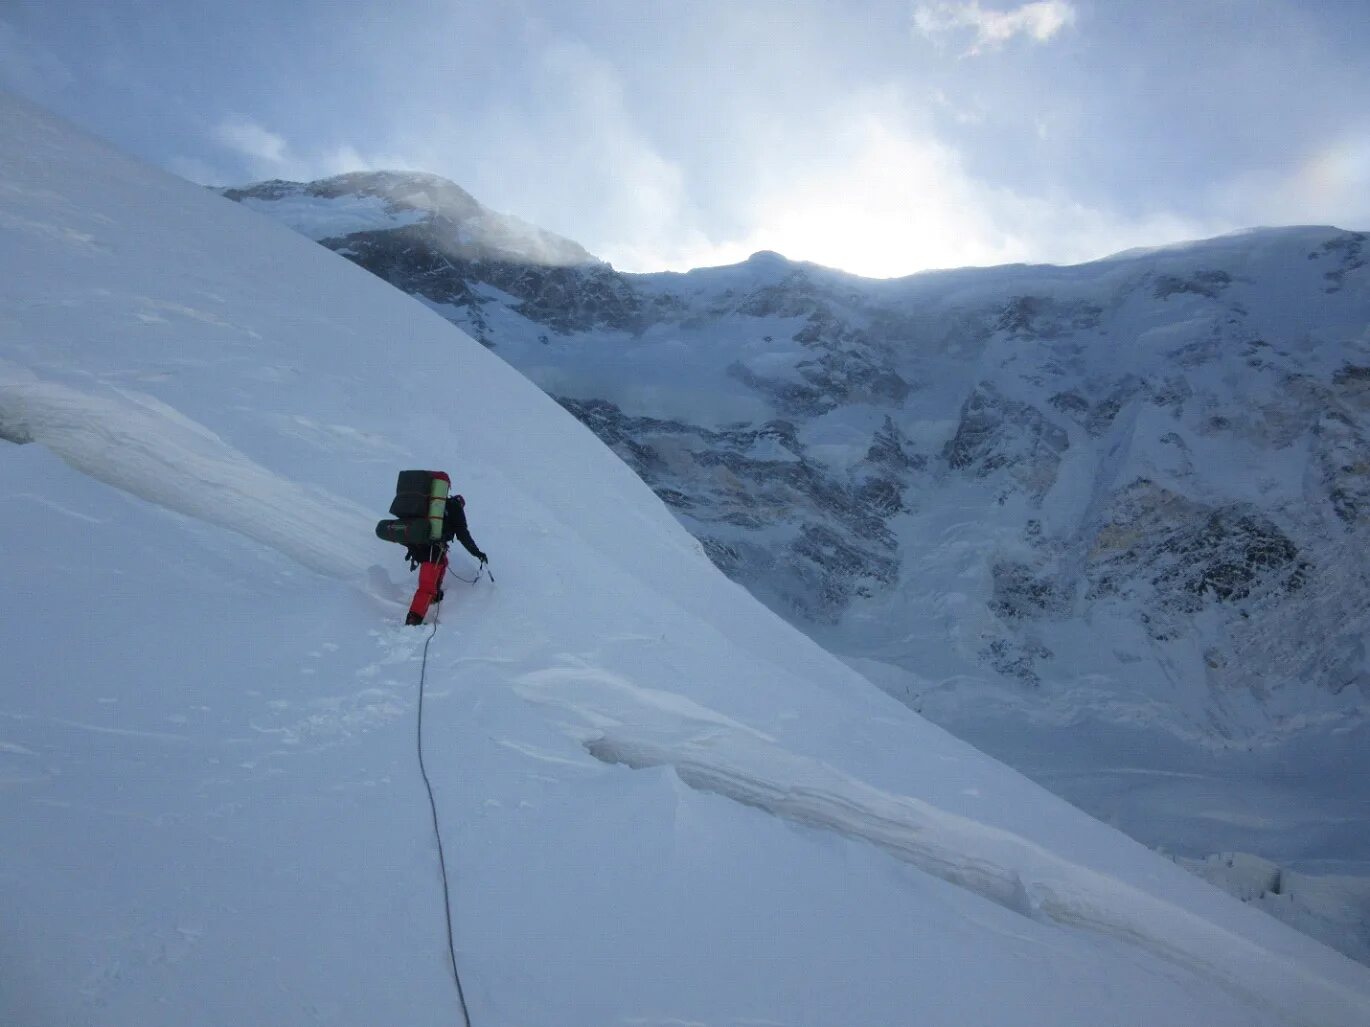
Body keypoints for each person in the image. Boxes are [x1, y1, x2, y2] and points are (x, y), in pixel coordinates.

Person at [404, 494, 487, 626]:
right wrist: (477, 553)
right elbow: (463, 534)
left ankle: (434, 597)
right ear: (461, 504)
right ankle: (414, 618)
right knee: (427, 584)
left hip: (421, 546)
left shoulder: (437, 507)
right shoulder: (455, 509)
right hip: (433, 547)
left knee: (443, 563)